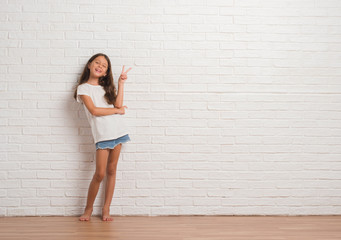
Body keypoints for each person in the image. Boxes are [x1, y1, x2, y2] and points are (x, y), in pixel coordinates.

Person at [73, 53, 132, 221]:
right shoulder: (83, 88)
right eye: (97, 62)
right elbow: (94, 111)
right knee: (99, 174)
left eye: (104, 65)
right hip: (102, 135)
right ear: (90, 65)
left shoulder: (106, 88)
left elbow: (119, 104)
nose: (100, 66)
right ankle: (88, 209)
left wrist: (121, 83)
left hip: (118, 131)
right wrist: (117, 111)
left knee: (112, 171)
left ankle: (106, 209)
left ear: (106, 72)